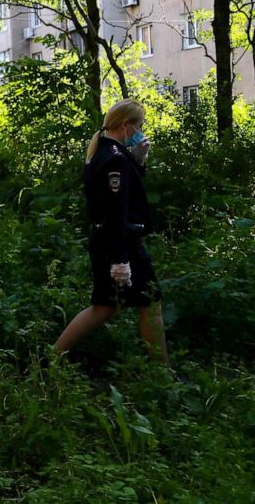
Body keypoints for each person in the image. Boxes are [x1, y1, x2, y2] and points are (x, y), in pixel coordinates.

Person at [55, 98, 170, 365]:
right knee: (145, 305)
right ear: (126, 125)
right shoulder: (115, 159)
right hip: (119, 242)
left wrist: (139, 162)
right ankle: (163, 374)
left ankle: (51, 358)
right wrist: (120, 259)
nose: (141, 131)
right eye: (139, 125)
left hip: (114, 240)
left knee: (111, 307)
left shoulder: (108, 154)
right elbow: (116, 210)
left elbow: (124, 197)